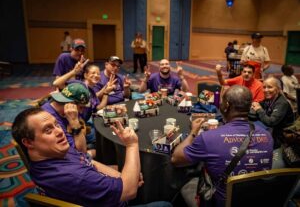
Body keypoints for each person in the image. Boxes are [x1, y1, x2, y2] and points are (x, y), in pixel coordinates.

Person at [11, 108, 141, 206]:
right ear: (28, 142)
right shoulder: (75, 177)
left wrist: (120, 176)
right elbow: (129, 191)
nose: (60, 132)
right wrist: (131, 145)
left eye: (57, 125)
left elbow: (89, 161)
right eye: (48, 130)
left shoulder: (52, 153)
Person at [171, 85, 273, 207]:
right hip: (255, 201)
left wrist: (193, 132)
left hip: (221, 202)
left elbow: (176, 159)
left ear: (227, 105)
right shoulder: (267, 136)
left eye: (223, 101)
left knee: (187, 183)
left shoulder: (208, 137)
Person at [41, 82, 91, 155]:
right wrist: (75, 123)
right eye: (81, 107)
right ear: (70, 104)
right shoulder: (51, 119)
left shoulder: (58, 108)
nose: (81, 111)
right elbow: (81, 152)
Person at [251, 77, 295, 149]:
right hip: (273, 132)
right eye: (264, 87)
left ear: (277, 89)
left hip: (283, 140)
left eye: (270, 87)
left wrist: (259, 109)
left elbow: (271, 122)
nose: (266, 90)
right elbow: (258, 105)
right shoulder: (269, 99)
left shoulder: (282, 103)